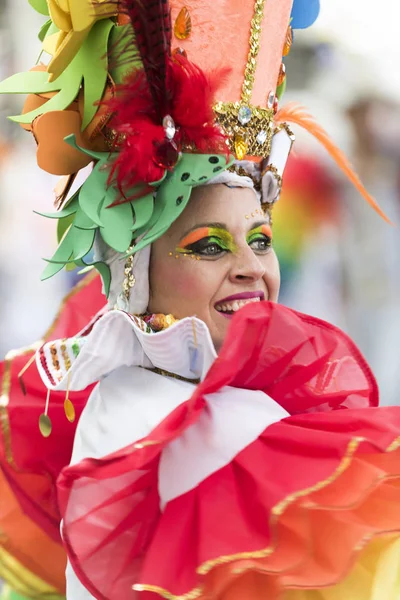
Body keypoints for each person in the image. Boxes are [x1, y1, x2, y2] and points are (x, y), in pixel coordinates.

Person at [1, 1, 400, 599]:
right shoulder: (190, 423)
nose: (252, 269)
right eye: (209, 246)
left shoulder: (138, 395)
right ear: (134, 267)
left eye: (260, 240)